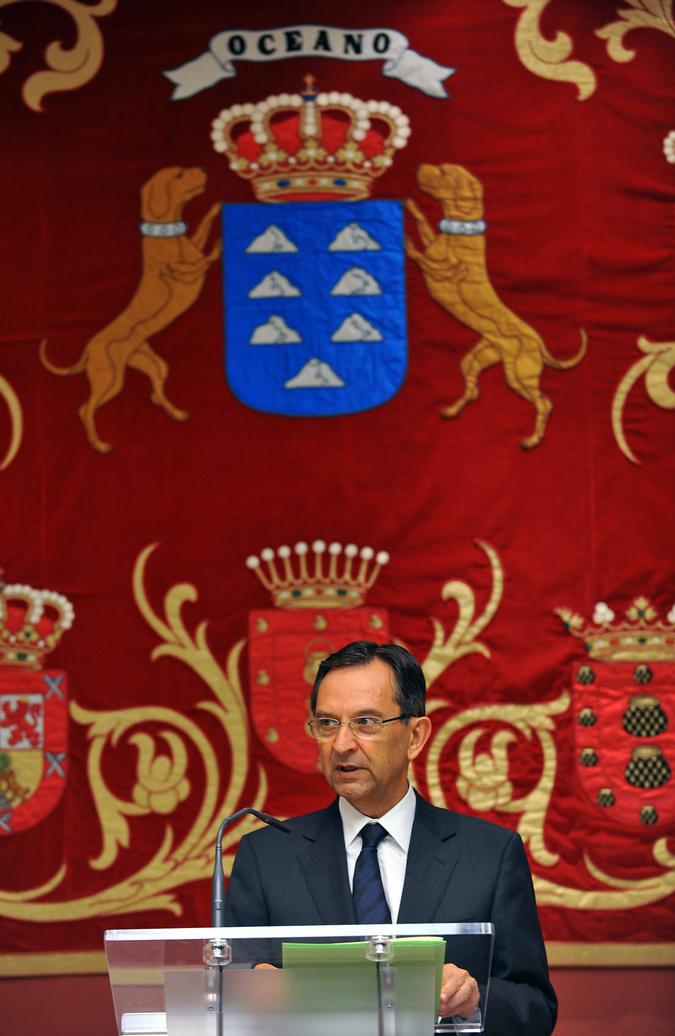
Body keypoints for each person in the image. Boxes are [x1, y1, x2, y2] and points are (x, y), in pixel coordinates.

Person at [225, 640, 557, 1035]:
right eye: (327, 723)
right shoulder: (267, 858)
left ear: (415, 735)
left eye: (365, 722)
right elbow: (228, 994)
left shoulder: (489, 855)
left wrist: (473, 1001)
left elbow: (534, 1006)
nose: (341, 744)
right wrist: (254, 990)